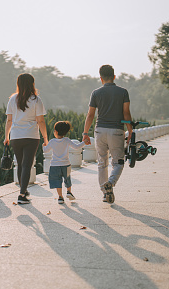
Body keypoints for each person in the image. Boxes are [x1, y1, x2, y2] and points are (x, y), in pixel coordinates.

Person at [82, 65, 132, 204]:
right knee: (118, 162)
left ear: (101, 78)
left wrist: (85, 133)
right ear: (114, 76)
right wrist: (130, 129)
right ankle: (110, 182)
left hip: (100, 130)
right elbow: (126, 113)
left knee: (102, 162)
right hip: (116, 130)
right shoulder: (123, 92)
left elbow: (90, 114)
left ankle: (105, 193)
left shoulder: (96, 93)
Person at [4, 73, 48, 204]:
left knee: (20, 164)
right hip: (31, 136)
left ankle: (23, 190)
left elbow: (9, 120)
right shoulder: (36, 100)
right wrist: (45, 137)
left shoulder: (13, 99)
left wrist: (7, 136)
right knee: (27, 165)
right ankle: (22, 195)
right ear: (32, 84)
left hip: (16, 136)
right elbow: (41, 121)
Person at [43, 121, 85, 204]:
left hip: (54, 165)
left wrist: (43, 145)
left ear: (56, 132)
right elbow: (77, 147)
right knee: (67, 179)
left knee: (57, 181)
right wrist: (84, 142)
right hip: (66, 164)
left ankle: (60, 197)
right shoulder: (67, 140)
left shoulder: (52, 141)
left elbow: (45, 151)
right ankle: (69, 192)